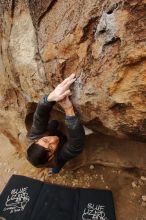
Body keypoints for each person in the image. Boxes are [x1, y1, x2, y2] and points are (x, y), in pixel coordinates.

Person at [26, 74, 85, 175]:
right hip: (56, 160)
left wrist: (49, 98)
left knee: (53, 124)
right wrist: (68, 109)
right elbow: (76, 145)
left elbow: (40, 117)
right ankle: (53, 171)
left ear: (37, 140)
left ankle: (53, 127)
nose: (53, 140)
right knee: (58, 165)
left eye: (45, 140)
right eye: (51, 148)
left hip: (48, 132)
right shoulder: (57, 157)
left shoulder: (34, 136)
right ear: (51, 156)